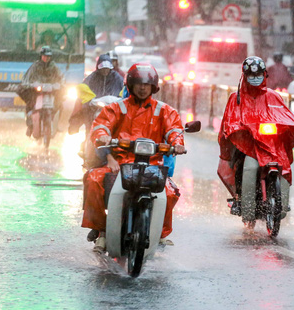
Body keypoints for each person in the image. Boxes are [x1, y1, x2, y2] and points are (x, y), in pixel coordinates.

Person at [83, 63, 186, 251]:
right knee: (93, 180)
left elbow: (175, 129)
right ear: (130, 84)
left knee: (171, 192)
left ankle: (160, 234)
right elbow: (100, 125)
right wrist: (103, 136)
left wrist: (177, 143)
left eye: (147, 84)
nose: (142, 87)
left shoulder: (164, 110)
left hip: (152, 165)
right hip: (120, 164)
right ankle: (102, 231)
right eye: (138, 83)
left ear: (154, 87)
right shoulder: (116, 107)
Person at [217, 56, 294, 213]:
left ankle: (282, 202)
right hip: (247, 145)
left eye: (258, 75)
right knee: (244, 165)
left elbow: (283, 115)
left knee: (283, 166)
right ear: (245, 76)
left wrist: (289, 128)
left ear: (264, 75)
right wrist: (239, 130)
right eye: (251, 76)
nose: (255, 79)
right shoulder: (236, 98)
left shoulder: (273, 96)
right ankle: (241, 199)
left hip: (271, 145)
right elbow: (229, 121)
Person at [17, 46, 64, 136]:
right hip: (36, 92)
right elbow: (26, 79)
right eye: (44, 56)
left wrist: (60, 85)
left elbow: (61, 78)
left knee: (60, 105)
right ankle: (30, 126)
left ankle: (56, 124)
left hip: (51, 91)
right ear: (41, 56)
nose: (46, 58)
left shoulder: (54, 67)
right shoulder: (35, 66)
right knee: (30, 104)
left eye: (48, 56)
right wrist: (31, 85)